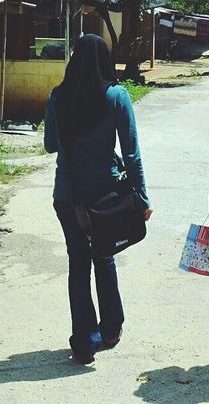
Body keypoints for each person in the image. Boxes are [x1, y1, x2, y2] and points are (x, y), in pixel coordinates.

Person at [43, 34, 152, 362]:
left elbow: (50, 145)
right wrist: (143, 198)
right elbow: (131, 153)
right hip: (107, 197)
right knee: (104, 257)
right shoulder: (117, 96)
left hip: (68, 198)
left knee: (78, 266)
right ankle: (110, 329)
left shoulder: (57, 97)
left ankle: (84, 342)